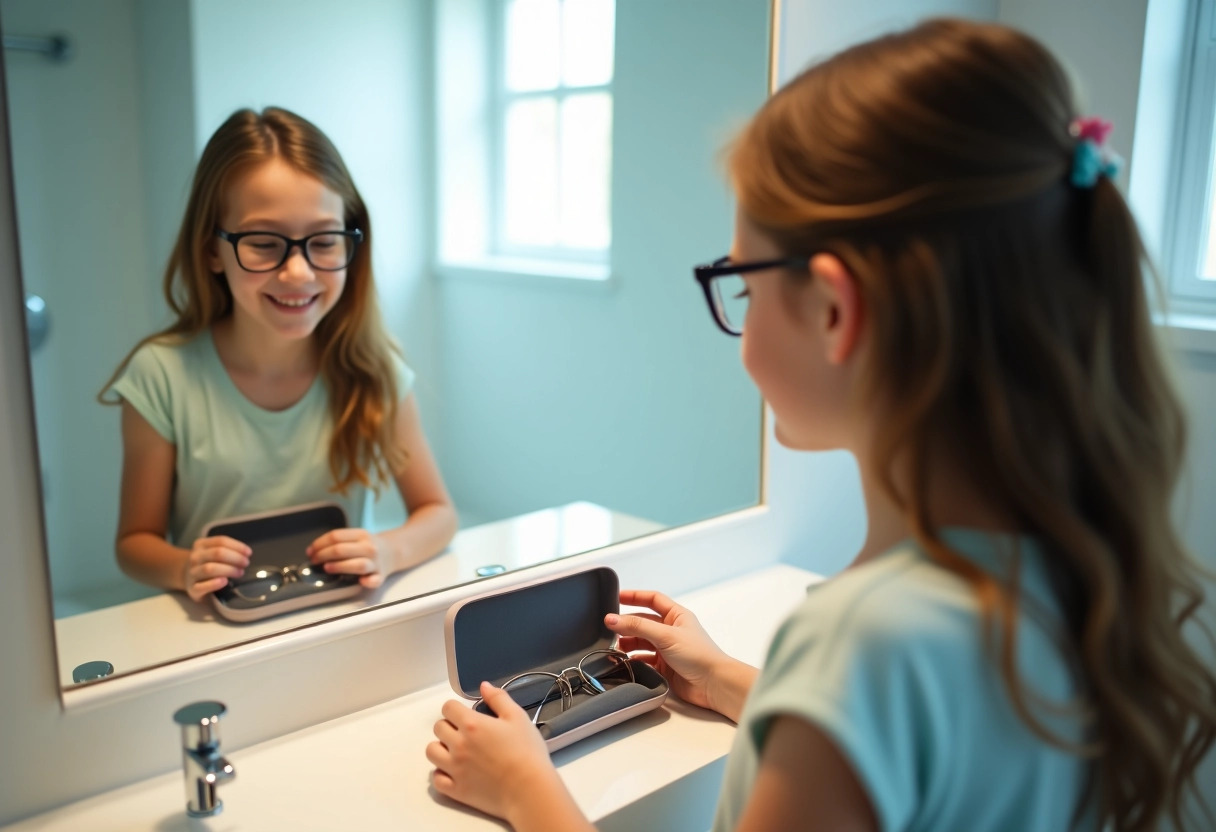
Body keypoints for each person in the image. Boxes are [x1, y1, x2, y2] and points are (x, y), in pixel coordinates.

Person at [424, 19, 1216, 832]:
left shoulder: (861, 646)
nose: (740, 321)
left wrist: (526, 791)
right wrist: (733, 680)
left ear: (835, 310)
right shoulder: (1069, 567)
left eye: (744, 285)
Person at [102, 107, 457, 603]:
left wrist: (389, 550)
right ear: (211, 250)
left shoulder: (372, 368)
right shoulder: (160, 377)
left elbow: (438, 513)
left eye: (324, 241)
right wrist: (185, 566)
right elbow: (133, 544)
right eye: (264, 243)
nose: (297, 273)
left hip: (336, 618)